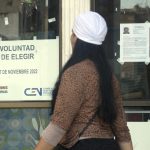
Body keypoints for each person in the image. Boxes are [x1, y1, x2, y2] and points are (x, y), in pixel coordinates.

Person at [35, 11, 133, 150]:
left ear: (75, 37)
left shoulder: (75, 73)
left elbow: (58, 127)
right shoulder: (109, 76)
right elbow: (121, 129)